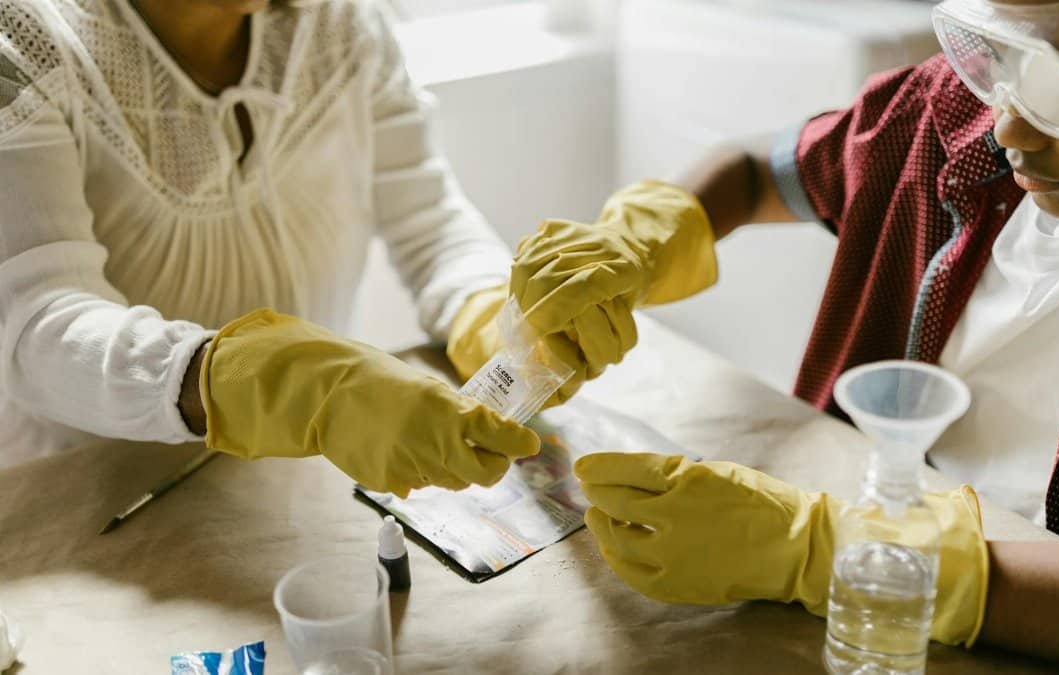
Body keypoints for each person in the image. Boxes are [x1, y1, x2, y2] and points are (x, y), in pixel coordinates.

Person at [508, 0, 1059, 670]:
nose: (1010, 127)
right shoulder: (949, 122)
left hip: (1054, 626)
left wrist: (847, 554)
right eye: (999, 56)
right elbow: (754, 172)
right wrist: (644, 236)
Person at [0, 0, 609, 495]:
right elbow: (37, 326)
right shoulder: (23, 40)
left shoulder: (342, 21)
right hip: (90, 490)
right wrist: (263, 381)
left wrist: (494, 318)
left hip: (296, 477)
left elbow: (431, 221)